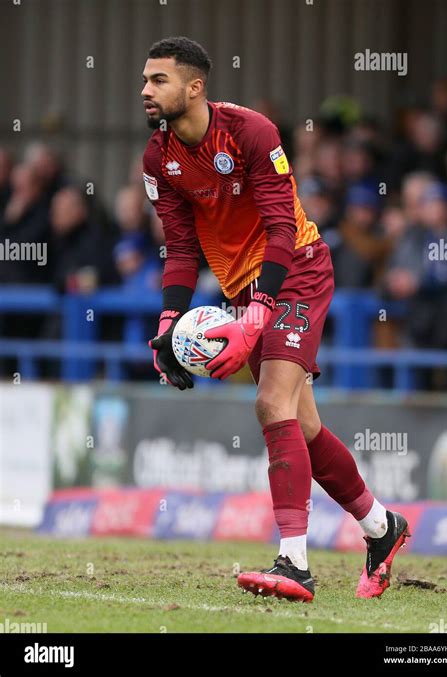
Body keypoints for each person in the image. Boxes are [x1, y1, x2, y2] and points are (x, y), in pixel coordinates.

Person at [142, 36, 410, 603]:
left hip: (297, 271)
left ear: (195, 88)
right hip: (244, 289)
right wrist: (169, 323)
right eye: (144, 80)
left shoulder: (252, 133)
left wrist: (259, 310)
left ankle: (294, 563)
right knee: (302, 427)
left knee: (269, 405)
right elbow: (183, 248)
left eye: (157, 80)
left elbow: (282, 227)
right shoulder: (156, 159)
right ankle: (382, 528)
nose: (145, 90)